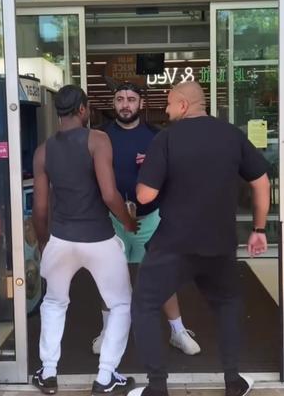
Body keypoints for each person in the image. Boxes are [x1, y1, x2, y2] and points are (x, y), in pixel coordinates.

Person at [128, 81, 270, 396]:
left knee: (145, 304)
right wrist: (259, 230)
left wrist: (145, 179)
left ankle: (157, 387)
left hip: (174, 243)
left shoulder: (165, 139)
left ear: (182, 105)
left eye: (168, 104)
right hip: (220, 243)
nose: (165, 111)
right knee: (228, 304)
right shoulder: (232, 135)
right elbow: (261, 182)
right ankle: (233, 381)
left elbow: (145, 194)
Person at [32, 84, 137, 395]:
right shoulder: (98, 140)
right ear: (82, 109)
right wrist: (129, 223)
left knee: (53, 302)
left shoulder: (43, 151)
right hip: (98, 238)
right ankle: (105, 377)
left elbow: (40, 208)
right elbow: (109, 194)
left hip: (61, 238)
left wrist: (43, 243)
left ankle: (48, 373)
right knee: (120, 303)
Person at [92, 82, 200, 356]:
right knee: (109, 278)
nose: (125, 104)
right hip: (112, 218)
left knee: (161, 276)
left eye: (130, 99)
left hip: (150, 218)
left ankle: (178, 331)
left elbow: (177, 175)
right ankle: (107, 331)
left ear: (141, 103)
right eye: (119, 99)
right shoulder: (99, 136)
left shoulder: (158, 136)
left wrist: (152, 165)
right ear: (113, 103)